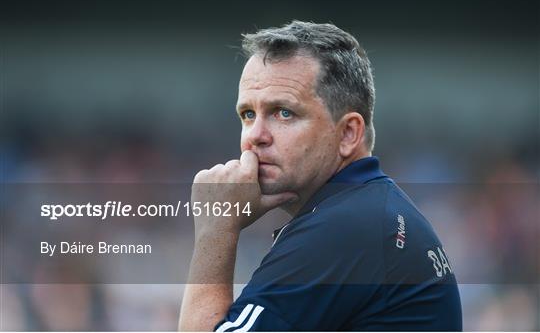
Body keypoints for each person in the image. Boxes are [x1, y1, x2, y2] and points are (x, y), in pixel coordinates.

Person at [179, 20, 462, 331]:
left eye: (283, 112)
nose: (255, 136)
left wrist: (215, 229)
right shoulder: (369, 212)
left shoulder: (345, 228)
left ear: (348, 134)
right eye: (248, 114)